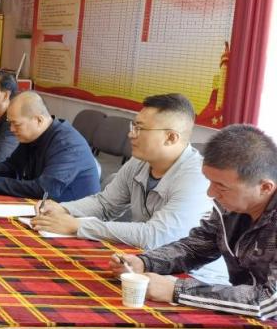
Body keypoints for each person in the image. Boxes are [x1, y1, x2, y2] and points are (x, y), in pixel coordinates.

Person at [33, 94, 227, 284]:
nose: (131, 134)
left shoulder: (197, 177)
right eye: (133, 126)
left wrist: (77, 226)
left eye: (140, 128)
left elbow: (154, 236)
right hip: (145, 262)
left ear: (170, 137)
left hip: (194, 279)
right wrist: (64, 210)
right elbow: (105, 204)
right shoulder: (139, 162)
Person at [110, 125, 277, 319]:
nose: (210, 193)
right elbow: (196, 248)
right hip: (244, 315)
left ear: (265, 187)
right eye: (210, 181)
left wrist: (178, 290)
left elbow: (270, 302)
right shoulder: (230, 206)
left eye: (221, 186)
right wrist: (145, 262)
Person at [0, 91, 99, 201]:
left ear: (39, 120)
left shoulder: (67, 144)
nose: (11, 129)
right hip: (43, 207)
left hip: (74, 216)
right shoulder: (33, 136)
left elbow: (45, 189)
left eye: (16, 124)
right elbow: (12, 167)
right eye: (10, 123)